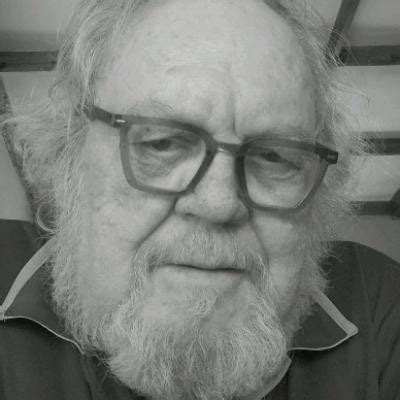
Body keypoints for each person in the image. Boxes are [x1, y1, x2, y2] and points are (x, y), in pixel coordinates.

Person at [1, 0, 400, 399]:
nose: (219, 203)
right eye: (161, 143)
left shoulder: (377, 302)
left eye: (273, 157)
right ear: (66, 153)